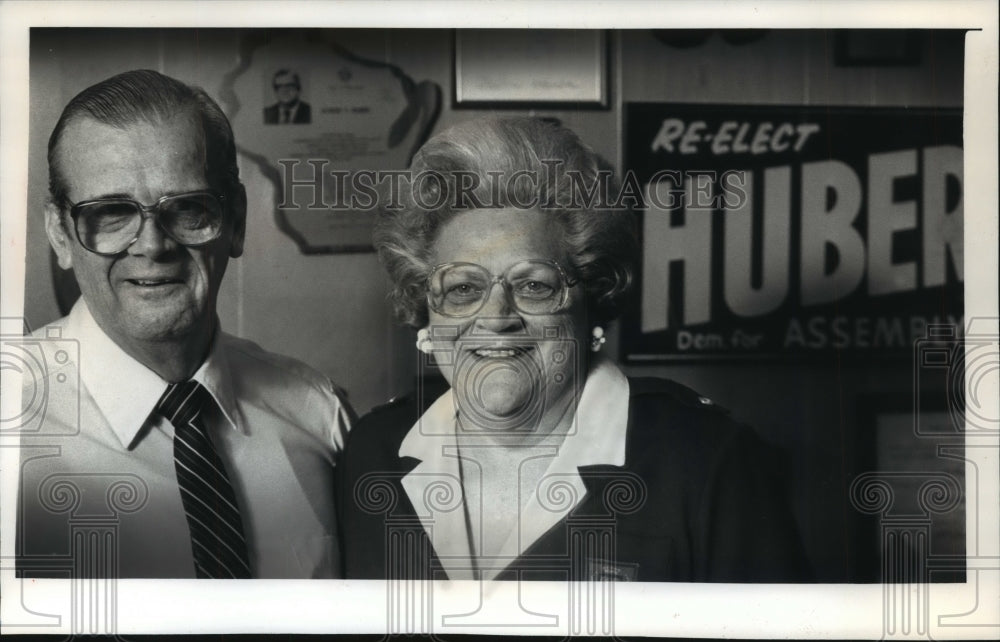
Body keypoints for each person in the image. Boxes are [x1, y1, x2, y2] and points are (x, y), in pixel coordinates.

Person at [340, 117, 811, 582]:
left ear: (593, 300)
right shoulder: (374, 452)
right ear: (427, 313)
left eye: (534, 285)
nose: (497, 318)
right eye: (463, 288)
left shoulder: (707, 459)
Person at [17, 69, 353, 579]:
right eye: (111, 212)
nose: (153, 245)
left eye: (188, 208)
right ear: (60, 236)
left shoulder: (318, 413)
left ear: (236, 221)